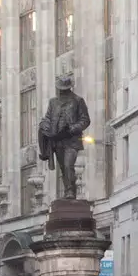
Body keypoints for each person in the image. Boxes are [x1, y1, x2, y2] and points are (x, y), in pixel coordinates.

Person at [38, 72, 90, 200]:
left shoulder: (78, 101)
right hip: (57, 140)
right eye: (61, 89)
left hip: (72, 140)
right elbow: (48, 118)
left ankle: (70, 192)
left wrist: (72, 128)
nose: (62, 92)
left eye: (64, 90)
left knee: (68, 165)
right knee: (63, 169)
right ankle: (68, 190)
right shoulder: (53, 102)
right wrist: (44, 124)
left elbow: (85, 120)